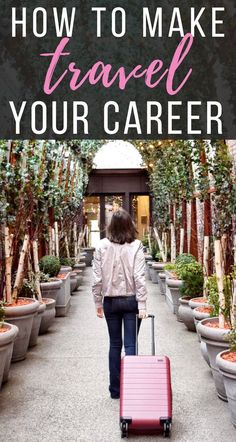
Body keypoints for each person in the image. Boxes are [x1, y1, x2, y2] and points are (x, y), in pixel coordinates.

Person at [92, 208, 147, 399]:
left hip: (110, 302)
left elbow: (97, 278)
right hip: (132, 301)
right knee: (131, 345)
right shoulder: (137, 246)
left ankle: (115, 391)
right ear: (129, 225)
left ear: (110, 226)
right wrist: (142, 305)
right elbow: (139, 277)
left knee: (115, 345)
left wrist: (98, 302)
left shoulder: (100, 246)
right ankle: (131, 389)